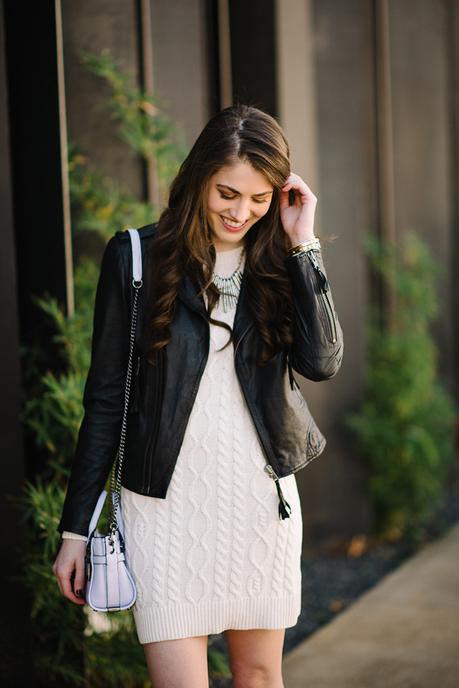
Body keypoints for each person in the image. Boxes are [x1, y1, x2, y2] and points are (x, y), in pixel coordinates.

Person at [52, 103, 344, 688]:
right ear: (199, 179)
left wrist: (304, 244)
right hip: (163, 510)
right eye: (227, 193)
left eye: (259, 199)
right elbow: (107, 400)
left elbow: (322, 362)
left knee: (259, 677)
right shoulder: (136, 258)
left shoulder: (281, 261)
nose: (241, 213)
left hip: (259, 506)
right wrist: (75, 529)